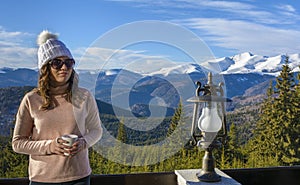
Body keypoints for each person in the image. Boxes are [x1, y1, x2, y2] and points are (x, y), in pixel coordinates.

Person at [12, 30, 103, 185]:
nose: (64, 67)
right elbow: (18, 143)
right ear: (45, 68)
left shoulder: (84, 96)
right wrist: (51, 146)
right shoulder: (31, 100)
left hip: (79, 177)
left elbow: (96, 130)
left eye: (69, 63)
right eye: (57, 63)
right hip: (42, 179)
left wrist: (84, 143)